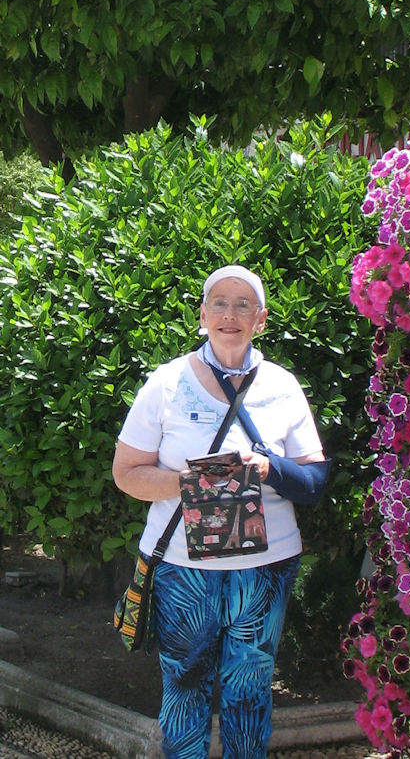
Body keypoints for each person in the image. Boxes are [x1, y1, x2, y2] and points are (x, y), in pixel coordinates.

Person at [112, 264, 326, 759]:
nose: (231, 314)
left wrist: (267, 468)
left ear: (262, 319)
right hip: (184, 571)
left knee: (249, 692)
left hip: (265, 569)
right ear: (203, 316)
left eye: (244, 304)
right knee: (184, 684)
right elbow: (127, 472)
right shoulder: (166, 384)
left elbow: (314, 482)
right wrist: (197, 484)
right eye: (221, 303)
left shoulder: (283, 385)